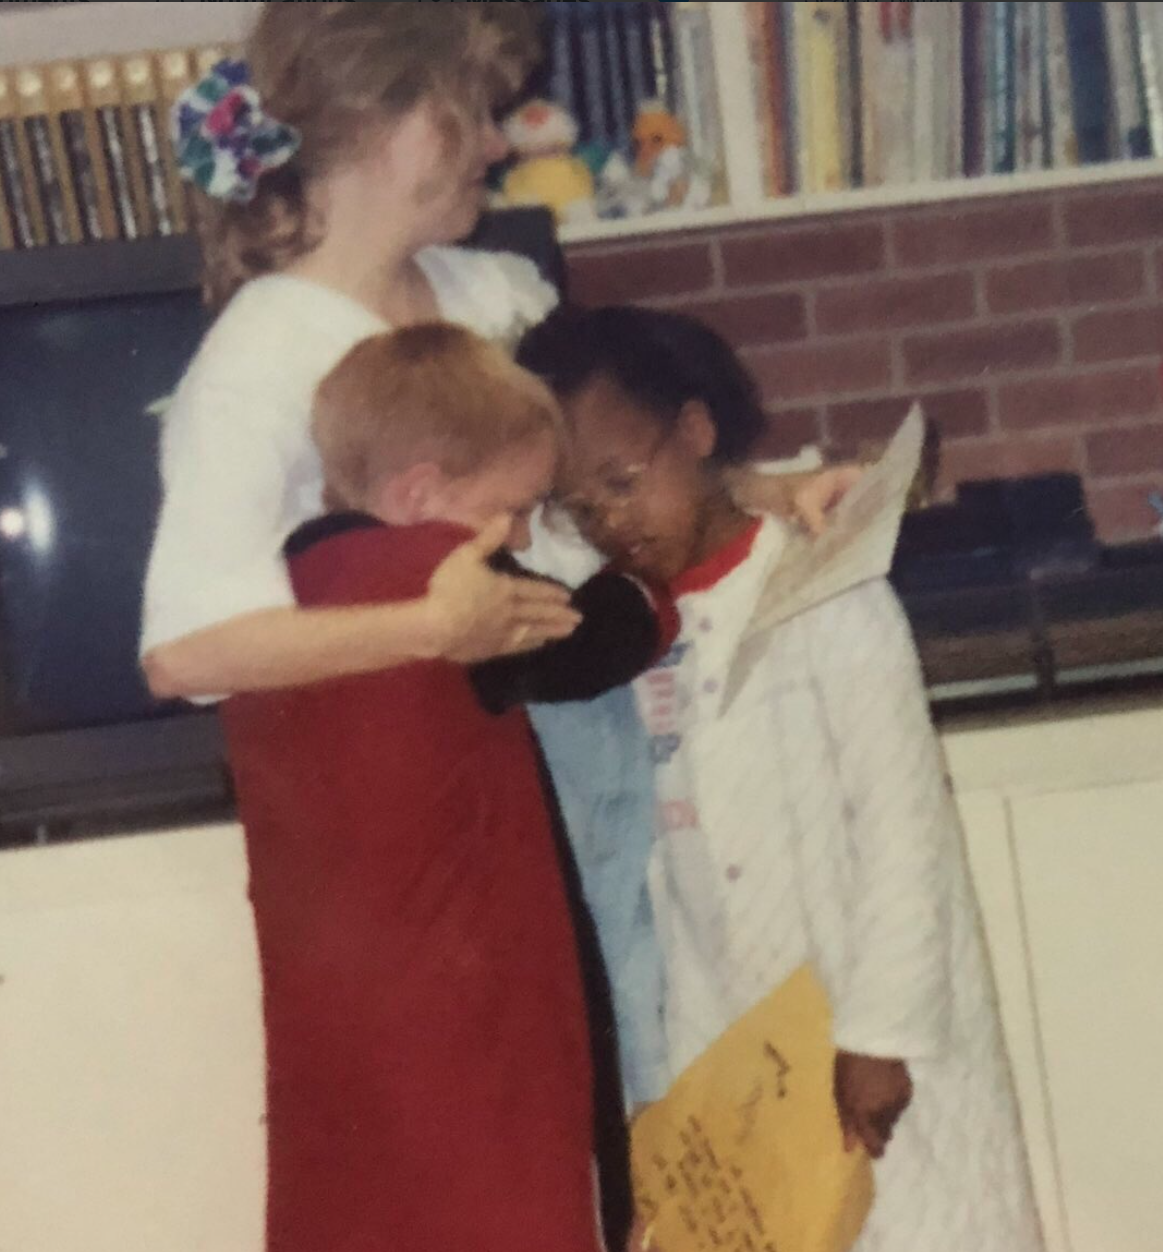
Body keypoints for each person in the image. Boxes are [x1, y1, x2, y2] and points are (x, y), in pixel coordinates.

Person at [139, 5, 859, 1246]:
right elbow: (186, 650)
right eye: (464, 111)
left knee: (631, 1132)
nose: (491, 143)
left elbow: (588, 492)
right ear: (382, 122)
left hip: (584, 784)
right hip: (419, 863)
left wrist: (766, 490)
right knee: (470, 1177)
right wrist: (431, 626)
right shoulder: (259, 359)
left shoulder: (491, 293)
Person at [517, 304, 1046, 1252]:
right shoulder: (624, 626)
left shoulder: (825, 586)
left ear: (696, 430)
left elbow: (901, 815)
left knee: (919, 1222)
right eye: (581, 507)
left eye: (625, 483)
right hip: (723, 1031)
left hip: (864, 1016)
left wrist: (879, 1031)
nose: (611, 522)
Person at [221, 322, 676, 1252]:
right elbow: (589, 646)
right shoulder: (437, 579)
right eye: (512, 511)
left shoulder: (274, 595)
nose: (520, 538)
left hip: (343, 1012)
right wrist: (647, 586)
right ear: (420, 493)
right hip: (473, 1008)